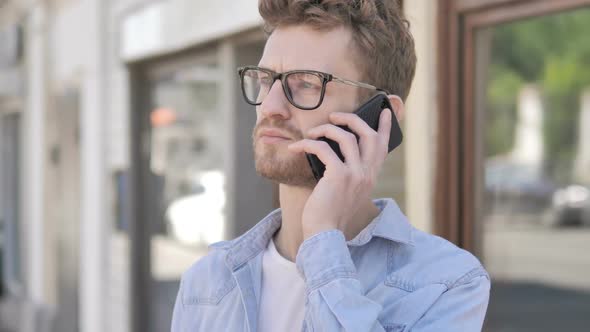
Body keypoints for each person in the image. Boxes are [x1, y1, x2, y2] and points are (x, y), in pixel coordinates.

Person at [171, 1, 490, 331]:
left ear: (382, 116)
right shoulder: (205, 283)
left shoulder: (448, 283)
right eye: (266, 80)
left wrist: (323, 238)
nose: (270, 106)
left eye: (307, 83)